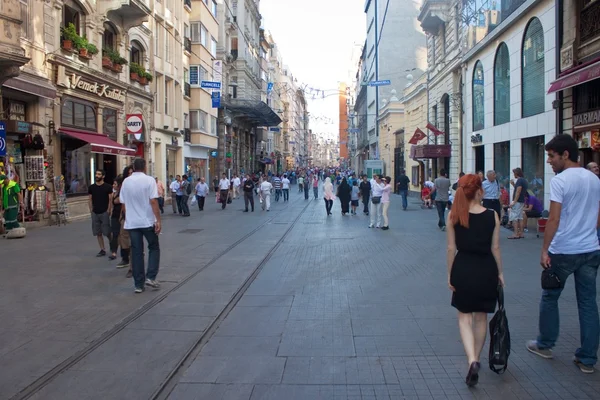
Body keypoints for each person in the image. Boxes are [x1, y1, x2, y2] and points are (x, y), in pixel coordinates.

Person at [527, 134, 600, 374]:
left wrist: (544, 249)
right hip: (590, 249)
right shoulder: (594, 179)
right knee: (588, 303)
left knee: (550, 297)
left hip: (564, 250)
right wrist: (589, 232)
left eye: (551, 156)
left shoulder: (560, 181)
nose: (548, 161)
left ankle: (545, 344)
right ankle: (588, 359)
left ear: (565, 154)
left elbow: (554, 218)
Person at [446, 174, 504, 387]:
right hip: (486, 269)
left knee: (464, 318)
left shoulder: (454, 216)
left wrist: (450, 274)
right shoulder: (492, 215)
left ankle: (471, 360)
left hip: (463, 268)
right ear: (480, 191)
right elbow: (495, 248)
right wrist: (500, 273)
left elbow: (451, 248)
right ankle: (477, 359)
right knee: (481, 318)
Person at [120, 158, 161, 294]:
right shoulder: (149, 180)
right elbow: (153, 201)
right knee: (153, 247)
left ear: (133, 167)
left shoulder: (126, 181)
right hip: (147, 221)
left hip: (132, 223)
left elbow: (123, 203)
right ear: (144, 167)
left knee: (136, 252)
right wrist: (158, 220)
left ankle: (138, 284)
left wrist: (129, 217)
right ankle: (151, 276)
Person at [88, 170, 113, 257]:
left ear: (103, 176)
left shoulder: (108, 187)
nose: (96, 176)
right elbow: (90, 199)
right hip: (95, 212)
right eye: (96, 174)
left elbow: (110, 199)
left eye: (99, 174)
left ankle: (112, 246)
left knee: (107, 232)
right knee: (98, 232)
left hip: (104, 212)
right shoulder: (92, 187)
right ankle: (102, 249)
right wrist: (91, 210)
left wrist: (109, 209)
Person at [508, 168, 528, 239]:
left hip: (517, 201)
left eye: (514, 173)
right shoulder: (524, 180)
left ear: (516, 173)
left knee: (514, 217)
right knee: (520, 217)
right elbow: (520, 190)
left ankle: (515, 233)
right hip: (521, 200)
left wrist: (514, 202)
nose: (514, 175)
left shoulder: (519, 180)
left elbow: (518, 191)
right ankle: (521, 233)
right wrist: (513, 184)